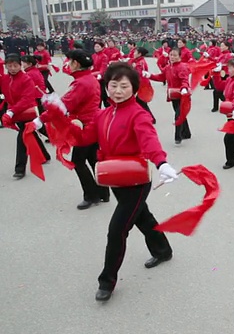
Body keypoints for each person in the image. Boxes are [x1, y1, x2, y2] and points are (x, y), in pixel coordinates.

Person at [46, 62, 177, 301]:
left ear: (134, 89)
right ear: (106, 87)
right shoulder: (102, 114)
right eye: (113, 85)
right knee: (142, 217)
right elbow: (85, 137)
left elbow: (149, 140)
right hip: (114, 176)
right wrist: (61, 119)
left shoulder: (139, 114)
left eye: (123, 86)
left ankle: (107, 281)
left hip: (136, 180)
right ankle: (163, 250)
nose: (117, 90)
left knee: (117, 231)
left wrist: (161, 163)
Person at [35, 49, 110, 209]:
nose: (68, 64)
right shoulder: (88, 79)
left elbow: (63, 106)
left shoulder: (81, 83)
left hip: (84, 126)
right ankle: (103, 192)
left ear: (76, 63)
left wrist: (41, 118)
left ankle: (91, 195)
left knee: (78, 161)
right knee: (93, 159)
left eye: (70, 62)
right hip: (93, 124)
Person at [0, 54, 51, 179]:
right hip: (15, 111)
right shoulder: (4, 79)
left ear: (20, 65)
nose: (12, 68)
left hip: (27, 111)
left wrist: (11, 111)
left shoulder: (26, 79)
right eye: (9, 66)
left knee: (22, 138)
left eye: (15, 65)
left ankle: (20, 168)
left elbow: (27, 99)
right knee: (32, 133)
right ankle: (45, 156)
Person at [144, 48, 192, 145]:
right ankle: (187, 133)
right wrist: (150, 76)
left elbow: (185, 80)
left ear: (179, 56)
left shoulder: (182, 67)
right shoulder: (168, 67)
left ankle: (178, 136)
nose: (172, 57)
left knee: (178, 115)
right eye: (171, 55)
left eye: (175, 55)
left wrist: (184, 88)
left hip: (182, 94)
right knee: (180, 113)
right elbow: (161, 77)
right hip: (173, 94)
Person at [129, 47, 156, 122]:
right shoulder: (137, 61)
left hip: (143, 85)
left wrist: (133, 68)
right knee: (140, 102)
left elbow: (139, 74)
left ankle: (150, 118)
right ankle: (148, 117)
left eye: (135, 52)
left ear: (139, 54)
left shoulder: (141, 63)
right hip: (141, 84)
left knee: (141, 102)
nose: (134, 54)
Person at [92, 41, 109, 108]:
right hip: (94, 76)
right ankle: (108, 106)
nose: (96, 48)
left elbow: (103, 67)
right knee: (102, 94)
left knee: (100, 93)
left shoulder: (104, 56)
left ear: (102, 47)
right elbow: (91, 66)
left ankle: (98, 108)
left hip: (101, 77)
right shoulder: (93, 56)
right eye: (95, 46)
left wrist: (100, 74)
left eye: (98, 46)